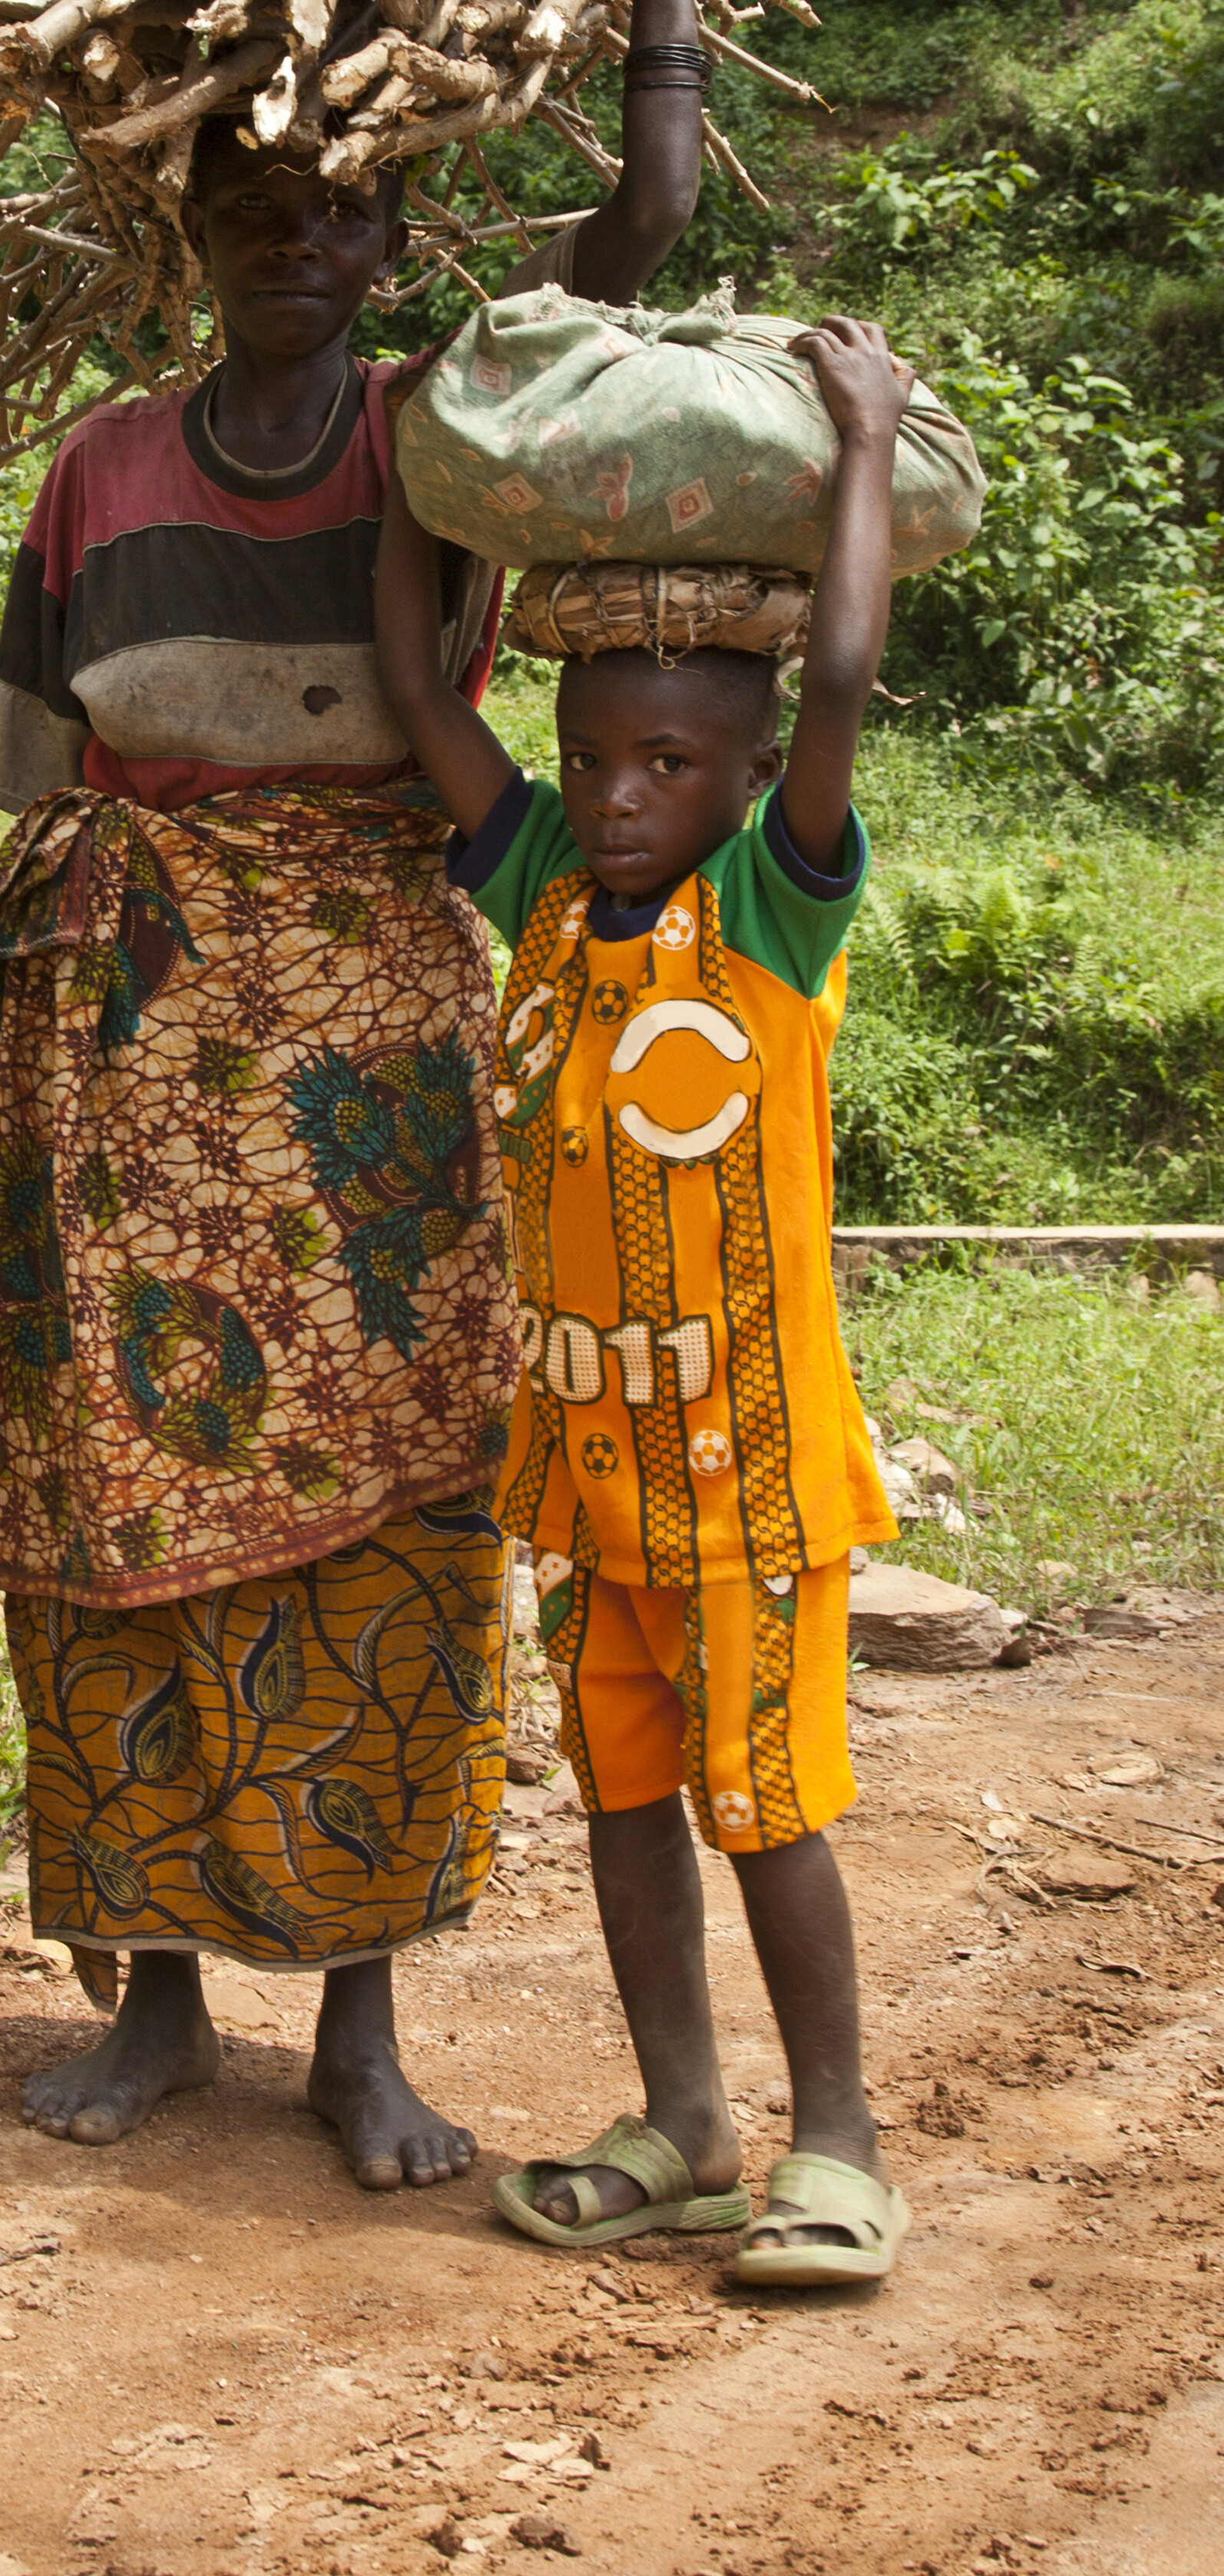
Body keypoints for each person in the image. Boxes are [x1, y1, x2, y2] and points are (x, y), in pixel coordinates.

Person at [0, 0, 707, 2181]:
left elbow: (648, 222)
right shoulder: (96, 475)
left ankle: (363, 2017)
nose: (296, 240)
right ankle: (154, 1989)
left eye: (339, 206)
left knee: (395, 1518)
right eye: (249, 201)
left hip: (371, 1067)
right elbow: (32, 838)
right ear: (190, 233)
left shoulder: (449, 442)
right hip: (118, 1069)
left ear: (390, 243)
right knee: (102, 1524)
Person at [373, 313, 913, 2282]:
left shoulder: (767, 910)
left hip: (748, 1483)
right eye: (592, 757)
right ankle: (683, 2116)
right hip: (588, 1487)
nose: (612, 794)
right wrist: (408, 464)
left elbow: (839, 666)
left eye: (665, 760)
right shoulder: (534, 899)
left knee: (763, 1809)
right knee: (620, 1797)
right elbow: (425, 693)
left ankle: (834, 2138)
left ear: (747, 772)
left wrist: (856, 443)